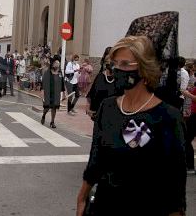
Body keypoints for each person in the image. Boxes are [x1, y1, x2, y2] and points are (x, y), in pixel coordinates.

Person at [76, 36, 186, 216]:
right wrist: (82, 197)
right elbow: (96, 159)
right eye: (114, 64)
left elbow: (175, 187)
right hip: (103, 206)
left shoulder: (168, 118)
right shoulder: (108, 107)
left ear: (144, 69)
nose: (118, 69)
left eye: (126, 64)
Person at [86, 47, 121, 120]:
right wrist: (88, 107)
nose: (110, 64)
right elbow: (91, 93)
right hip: (97, 115)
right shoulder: (100, 77)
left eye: (112, 62)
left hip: (114, 116)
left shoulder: (119, 78)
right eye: (107, 62)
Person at [40, 57, 66, 128]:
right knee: (47, 108)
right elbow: (43, 84)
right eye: (56, 63)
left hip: (56, 93)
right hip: (48, 93)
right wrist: (42, 92)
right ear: (52, 64)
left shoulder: (60, 73)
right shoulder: (47, 72)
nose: (57, 65)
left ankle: (52, 122)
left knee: (54, 108)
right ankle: (44, 115)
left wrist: (63, 94)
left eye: (58, 64)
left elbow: (62, 84)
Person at [182, 62, 196, 175]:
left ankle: (190, 165)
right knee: (187, 139)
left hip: (195, 115)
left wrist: (187, 93)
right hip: (193, 113)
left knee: (187, 139)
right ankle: (190, 165)